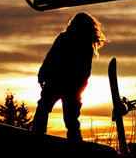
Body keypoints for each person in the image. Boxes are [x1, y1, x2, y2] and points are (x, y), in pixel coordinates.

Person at [31, 12, 108, 142]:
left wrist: (43, 74)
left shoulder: (80, 43)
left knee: (63, 116)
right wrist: (42, 74)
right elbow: (51, 58)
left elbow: (84, 70)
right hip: (60, 83)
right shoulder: (72, 40)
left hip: (64, 84)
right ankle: (41, 136)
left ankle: (42, 136)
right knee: (61, 115)